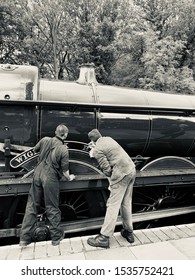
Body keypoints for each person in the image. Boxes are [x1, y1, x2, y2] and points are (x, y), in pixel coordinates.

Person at [19, 124, 75, 247]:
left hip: (37, 173)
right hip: (50, 177)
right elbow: (65, 172)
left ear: (55, 132)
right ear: (65, 135)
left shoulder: (45, 139)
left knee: (32, 205)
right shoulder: (63, 149)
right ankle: (56, 238)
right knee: (52, 207)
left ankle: (24, 238)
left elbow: (35, 150)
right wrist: (70, 177)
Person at [87, 129, 136, 248]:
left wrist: (93, 151)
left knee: (112, 205)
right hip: (131, 170)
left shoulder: (97, 149)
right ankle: (128, 231)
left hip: (121, 175)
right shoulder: (108, 138)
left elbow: (107, 169)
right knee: (126, 203)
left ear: (92, 141)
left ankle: (104, 237)